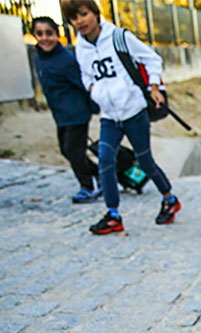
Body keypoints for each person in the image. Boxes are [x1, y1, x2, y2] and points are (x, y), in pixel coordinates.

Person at [60, 0, 181, 234]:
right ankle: (113, 214)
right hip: (109, 115)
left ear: (95, 13)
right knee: (105, 159)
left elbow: (152, 59)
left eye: (84, 14)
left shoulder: (119, 37)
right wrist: (94, 91)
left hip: (133, 110)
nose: (80, 22)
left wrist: (154, 87)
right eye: (74, 19)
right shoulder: (81, 47)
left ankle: (169, 198)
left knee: (145, 161)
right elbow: (86, 75)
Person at [32, 16, 101, 204]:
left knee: (74, 151)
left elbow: (83, 83)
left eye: (49, 33)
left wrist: (94, 106)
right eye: (40, 34)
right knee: (66, 150)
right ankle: (100, 174)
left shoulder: (66, 60)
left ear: (57, 35)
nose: (45, 38)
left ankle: (88, 187)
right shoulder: (39, 57)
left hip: (76, 113)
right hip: (61, 114)